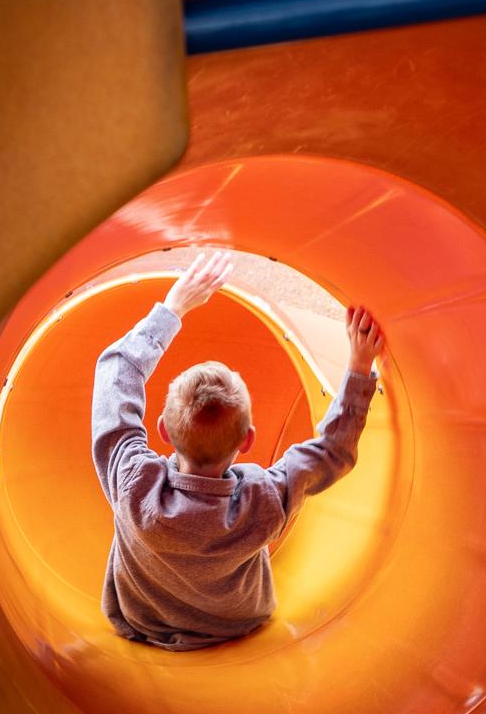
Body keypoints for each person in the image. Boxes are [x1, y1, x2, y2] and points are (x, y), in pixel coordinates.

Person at [91, 250, 386, 649]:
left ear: (163, 430)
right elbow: (334, 451)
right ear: (248, 440)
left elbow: (115, 373)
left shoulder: (135, 484)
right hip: (237, 626)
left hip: (142, 624)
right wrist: (359, 367)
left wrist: (174, 307)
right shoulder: (265, 499)